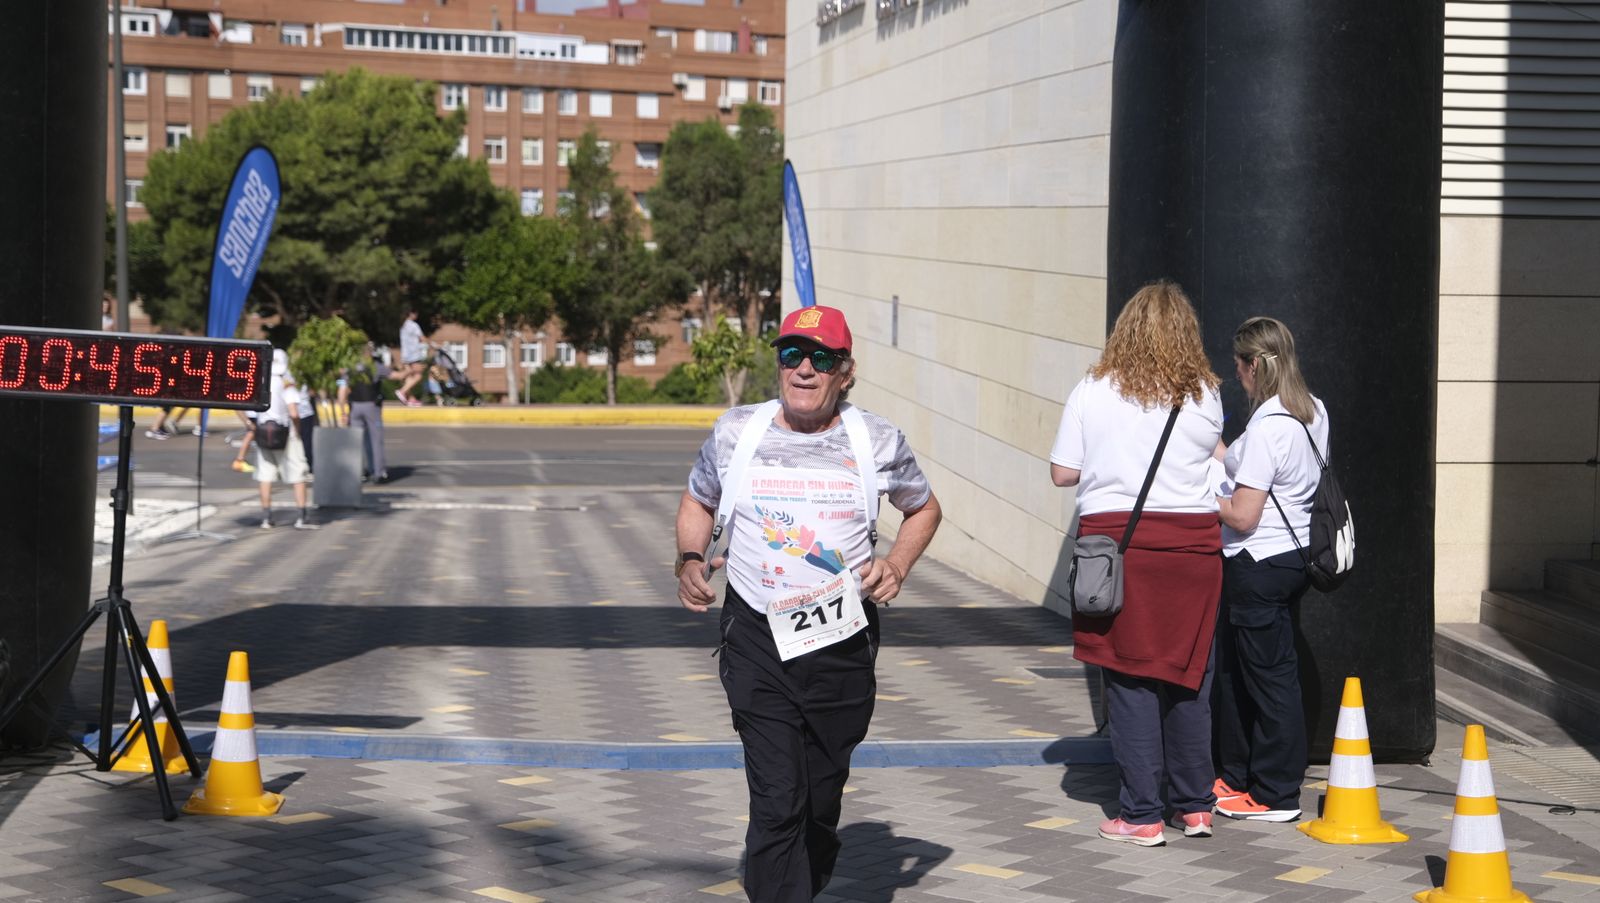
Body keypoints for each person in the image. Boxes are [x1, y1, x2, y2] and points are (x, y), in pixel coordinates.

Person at [677, 305, 942, 902]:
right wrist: (690, 560)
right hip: (755, 635)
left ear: (845, 372)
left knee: (819, 801)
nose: (803, 369)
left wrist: (896, 564)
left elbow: (923, 507)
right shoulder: (736, 432)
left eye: (821, 358)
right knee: (777, 800)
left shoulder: (875, 439)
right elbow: (697, 501)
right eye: (792, 354)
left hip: (842, 641)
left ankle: (809, 868)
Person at [1048, 280, 1224, 847]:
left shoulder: (1092, 389)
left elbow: (1062, 473)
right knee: (1189, 677)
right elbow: (1214, 456)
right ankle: (1196, 807)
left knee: (1129, 680)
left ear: (1123, 327)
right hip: (1195, 550)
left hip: (1119, 550)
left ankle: (1142, 814)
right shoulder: (1205, 391)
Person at [1210, 316, 1327, 823]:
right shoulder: (1313, 412)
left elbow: (1242, 514)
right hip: (1296, 558)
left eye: (1238, 367)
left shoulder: (1266, 429)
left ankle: (1276, 793)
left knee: (1271, 681)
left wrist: (1203, 498)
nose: (1237, 376)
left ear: (1254, 364)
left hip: (1257, 564)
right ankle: (1237, 777)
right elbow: (1253, 469)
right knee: (1247, 671)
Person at [253, 349, 317, 530]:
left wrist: (251, 426)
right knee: (298, 475)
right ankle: (302, 517)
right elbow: (294, 412)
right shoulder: (286, 383)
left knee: (265, 476)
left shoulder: (259, 382)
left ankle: (266, 517)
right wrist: (297, 430)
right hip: (286, 434)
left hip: (263, 433)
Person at [338, 343, 390, 483]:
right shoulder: (375, 366)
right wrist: (409, 372)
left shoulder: (350, 367)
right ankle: (378, 472)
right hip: (371, 405)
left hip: (354, 406)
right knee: (375, 440)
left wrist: (343, 411)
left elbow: (342, 390)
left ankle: (359, 471)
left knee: (356, 441)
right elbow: (394, 375)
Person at [395, 309, 428, 407]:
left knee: (409, 378)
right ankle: (402, 391)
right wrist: (431, 344)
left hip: (405, 354)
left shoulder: (403, 326)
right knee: (418, 375)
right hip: (414, 354)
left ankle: (411, 399)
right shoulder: (414, 325)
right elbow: (422, 338)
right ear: (411, 314)